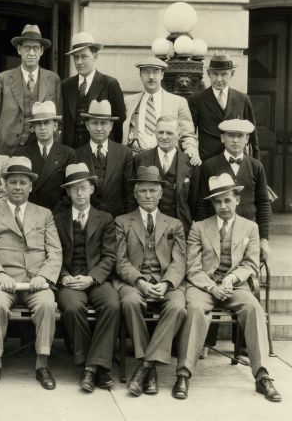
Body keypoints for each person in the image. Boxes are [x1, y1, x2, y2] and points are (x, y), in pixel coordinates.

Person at [173, 174, 281, 402]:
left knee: (253, 308)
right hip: (203, 287)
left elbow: (250, 263)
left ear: (237, 200)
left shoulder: (250, 228)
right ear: (212, 203)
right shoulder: (199, 228)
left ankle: (262, 375)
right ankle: (183, 374)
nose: (223, 206)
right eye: (217, 202)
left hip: (235, 286)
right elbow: (192, 267)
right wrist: (213, 287)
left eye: (227, 200)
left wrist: (231, 279)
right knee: (194, 311)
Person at [0, 156, 62, 390]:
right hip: (4, 281)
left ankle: (42, 364)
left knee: (47, 305)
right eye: (12, 182)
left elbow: (55, 251)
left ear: (31, 186)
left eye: (23, 182)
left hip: (36, 281)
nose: (17, 187)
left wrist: (43, 277)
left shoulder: (44, 214)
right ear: (4, 185)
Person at [115, 166, 187, 397]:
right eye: (143, 191)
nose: (148, 195)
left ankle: (146, 367)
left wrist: (166, 284)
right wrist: (140, 282)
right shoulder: (122, 222)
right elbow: (120, 261)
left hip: (165, 282)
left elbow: (179, 262)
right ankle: (150, 369)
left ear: (160, 194)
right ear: (135, 194)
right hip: (134, 282)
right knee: (129, 302)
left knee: (177, 306)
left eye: (152, 191)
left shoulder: (174, 224)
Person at [53, 163, 120, 393]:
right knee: (72, 307)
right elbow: (52, 253)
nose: (79, 193)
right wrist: (62, 277)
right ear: (68, 192)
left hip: (96, 279)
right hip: (69, 279)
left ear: (92, 189)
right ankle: (94, 364)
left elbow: (110, 256)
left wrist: (91, 279)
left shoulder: (105, 218)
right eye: (74, 189)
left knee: (112, 304)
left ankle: (91, 368)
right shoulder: (57, 218)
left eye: (84, 187)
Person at [194, 119, 271, 262]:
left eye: (240, 136)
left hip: (248, 233)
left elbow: (263, 203)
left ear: (247, 139)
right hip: (217, 233)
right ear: (223, 138)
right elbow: (202, 204)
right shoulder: (209, 166)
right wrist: (202, 237)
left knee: (245, 270)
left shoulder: (256, 166)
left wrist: (264, 239)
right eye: (230, 135)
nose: (235, 140)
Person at [0, 24, 62, 156]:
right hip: (6, 149)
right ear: (19, 50)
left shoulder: (53, 79)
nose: (31, 53)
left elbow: (58, 119)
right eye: (27, 48)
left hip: (41, 148)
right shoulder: (3, 78)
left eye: (35, 48)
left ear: (41, 51)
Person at [122, 57, 200, 166]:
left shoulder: (178, 102)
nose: (151, 77)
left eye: (156, 72)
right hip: (135, 158)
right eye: (146, 72)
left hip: (166, 160)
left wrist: (192, 150)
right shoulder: (128, 102)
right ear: (140, 75)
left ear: (162, 75)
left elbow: (187, 134)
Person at [188, 52, 260, 161]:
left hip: (236, 160)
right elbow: (189, 132)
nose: (219, 79)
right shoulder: (196, 99)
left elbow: (253, 135)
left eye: (224, 74)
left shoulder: (243, 99)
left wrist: (255, 163)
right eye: (215, 74)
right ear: (208, 73)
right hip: (207, 161)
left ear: (232, 74)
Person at [61, 32, 126, 147]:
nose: (79, 62)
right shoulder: (66, 85)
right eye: (76, 57)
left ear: (95, 56)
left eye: (84, 56)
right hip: (70, 151)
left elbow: (119, 124)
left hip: (99, 151)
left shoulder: (110, 84)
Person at [134, 116, 194, 235]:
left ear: (178, 135)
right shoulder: (140, 159)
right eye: (160, 132)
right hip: (148, 228)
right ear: (155, 133)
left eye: (169, 133)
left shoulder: (190, 162)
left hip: (180, 228)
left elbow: (195, 201)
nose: (164, 137)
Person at [76, 100, 136, 217]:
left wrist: (127, 222)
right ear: (87, 125)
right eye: (94, 123)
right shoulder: (76, 155)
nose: (99, 128)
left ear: (111, 126)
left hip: (116, 220)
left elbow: (129, 194)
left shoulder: (125, 154)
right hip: (87, 219)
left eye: (103, 123)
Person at [14, 101, 76, 210]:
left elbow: (71, 190)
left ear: (55, 126)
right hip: (29, 212)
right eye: (38, 123)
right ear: (33, 128)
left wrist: (58, 212)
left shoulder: (68, 154)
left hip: (57, 213)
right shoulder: (21, 153)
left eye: (46, 123)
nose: (42, 127)